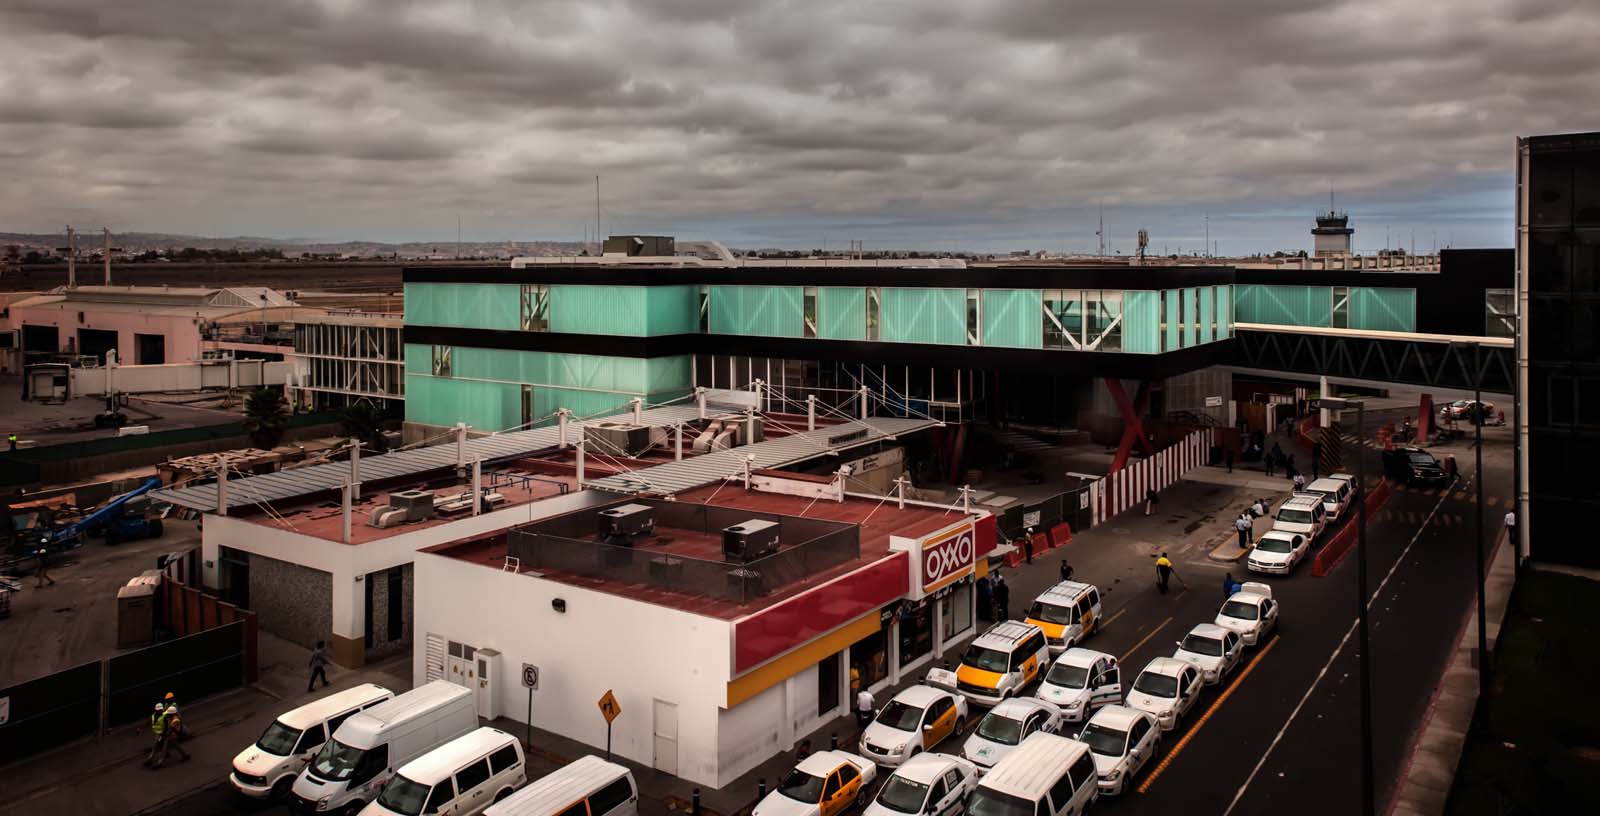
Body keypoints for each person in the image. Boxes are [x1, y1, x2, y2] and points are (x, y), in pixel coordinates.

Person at [144, 702, 168, 767]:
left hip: (164, 734)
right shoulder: (153, 716)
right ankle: (150, 758)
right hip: (157, 734)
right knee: (155, 746)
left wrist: (163, 735)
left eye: (160, 710)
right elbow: (147, 722)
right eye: (159, 710)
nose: (160, 711)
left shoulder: (164, 716)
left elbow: (166, 727)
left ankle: (159, 762)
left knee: (163, 748)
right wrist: (140, 729)